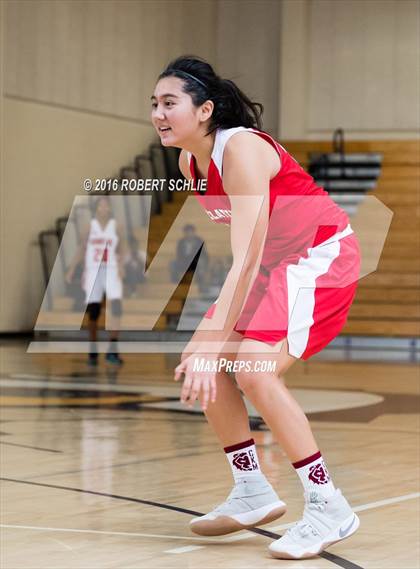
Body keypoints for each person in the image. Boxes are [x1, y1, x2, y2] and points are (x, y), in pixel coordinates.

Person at [151, 56, 361, 560]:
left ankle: (327, 503)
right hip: (273, 264)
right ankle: (252, 490)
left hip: (319, 255)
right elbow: (246, 256)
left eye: (169, 103)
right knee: (209, 366)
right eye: (154, 104)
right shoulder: (189, 163)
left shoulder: (241, 148)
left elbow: (245, 258)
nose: (158, 113)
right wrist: (205, 344)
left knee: (254, 370)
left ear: (204, 110)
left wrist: (209, 339)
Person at [66, 196, 125, 366]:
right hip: (93, 271)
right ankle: (93, 350)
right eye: (101, 205)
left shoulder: (117, 227)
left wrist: (121, 264)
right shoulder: (88, 227)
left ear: (110, 208)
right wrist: (71, 268)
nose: (104, 208)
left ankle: (112, 350)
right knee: (93, 312)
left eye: (107, 205)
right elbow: (81, 248)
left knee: (117, 309)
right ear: (96, 208)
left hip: (112, 269)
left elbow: (124, 247)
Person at [170, 224, 209, 291]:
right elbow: (178, 255)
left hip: (196, 262)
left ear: (194, 233)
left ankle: (200, 283)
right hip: (184, 262)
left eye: (191, 232)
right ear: (184, 233)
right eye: (187, 232)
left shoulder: (199, 241)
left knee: (201, 263)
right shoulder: (181, 242)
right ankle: (175, 283)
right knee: (172, 263)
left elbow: (203, 254)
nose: (189, 234)